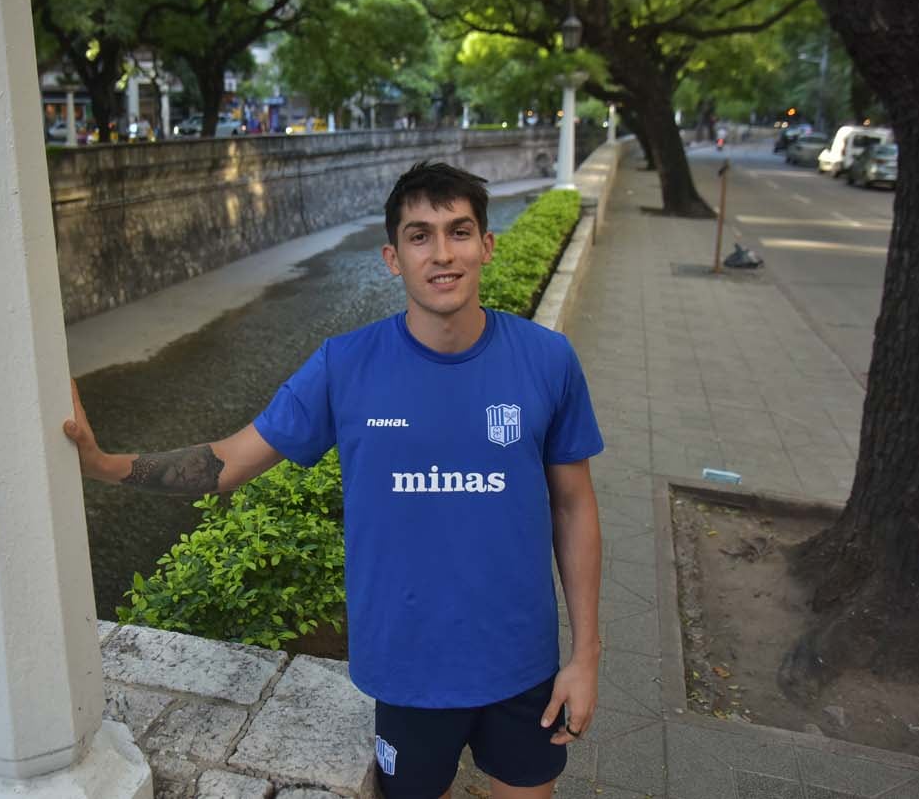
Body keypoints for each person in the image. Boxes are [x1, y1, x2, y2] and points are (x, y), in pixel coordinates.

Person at [64, 162, 604, 799]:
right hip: (406, 670)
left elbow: (574, 508)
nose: (441, 253)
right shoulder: (344, 365)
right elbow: (227, 462)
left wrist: (585, 656)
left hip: (521, 662)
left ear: (486, 246)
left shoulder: (547, 359)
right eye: (419, 236)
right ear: (392, 258)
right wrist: (104, 465)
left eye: (458, 232)